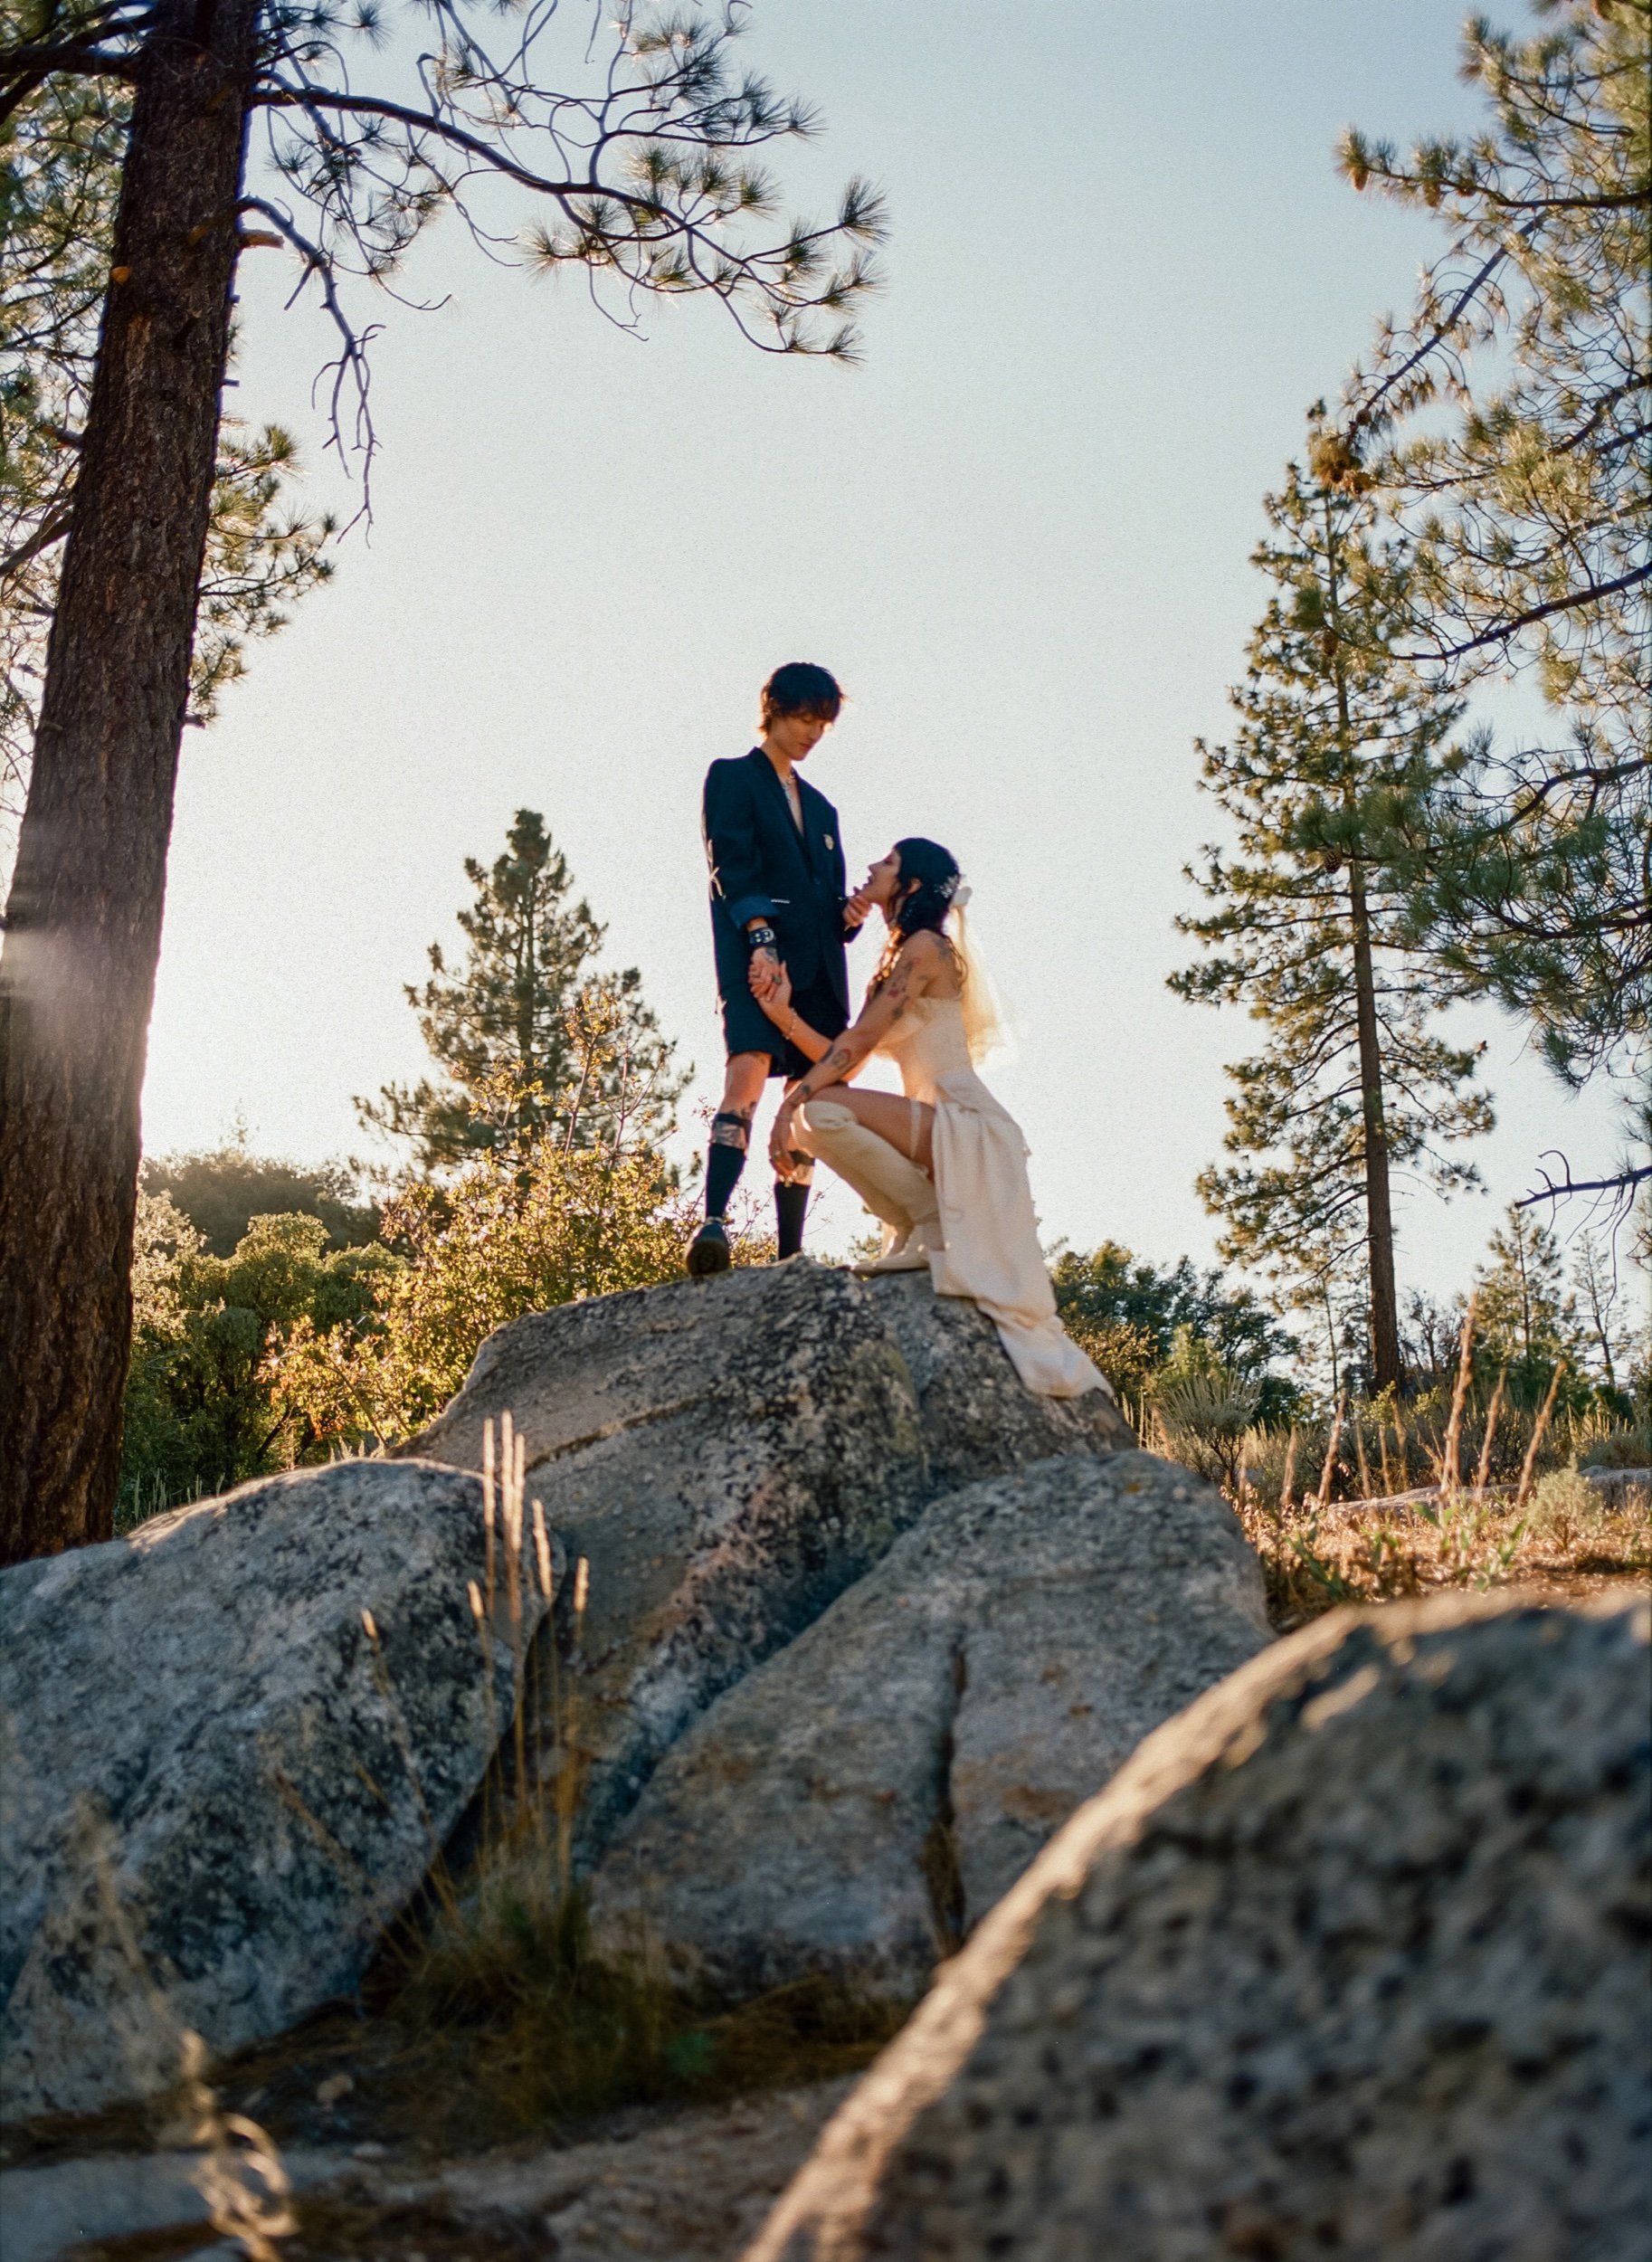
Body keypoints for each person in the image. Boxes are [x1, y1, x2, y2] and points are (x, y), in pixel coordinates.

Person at [755, 837, 1112, 1400]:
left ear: (912, 885)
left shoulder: (926, 948)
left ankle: (930, 1222)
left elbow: (858, 1042)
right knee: (815, 1113)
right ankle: (918, 1223)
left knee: (816, 1110)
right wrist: (782, 1015)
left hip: (964, 1123)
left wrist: (789, 1102)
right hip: (937, 1123)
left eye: (889, 863)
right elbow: (846, 1051)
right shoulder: (904, 954)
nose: (873, 866)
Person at [687, 662, 869, 1278]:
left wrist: (854, 912)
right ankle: (713, 1222)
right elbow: (731, 866)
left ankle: (790, 1255)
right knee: (745, 1077)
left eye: (823, 722)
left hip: (821, 973)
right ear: (775, 710)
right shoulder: (732, 777)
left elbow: (827, 906)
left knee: (805, 1103)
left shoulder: (823, 809)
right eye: (804, 718)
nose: (814, 732)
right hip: (755, 957)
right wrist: (761, 940)